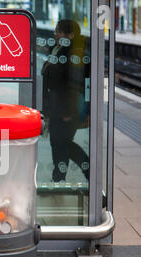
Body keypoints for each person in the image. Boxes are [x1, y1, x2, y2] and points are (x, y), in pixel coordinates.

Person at [41, 19, 90, 182]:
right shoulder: (56, 50)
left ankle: (90, 173)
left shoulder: (73, 54)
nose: (55, 34)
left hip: (67, 108)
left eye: (59, 31)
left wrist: (69, 111)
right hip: (56, 107)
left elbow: (75, 83)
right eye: (55, 31)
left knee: (65, 144)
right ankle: (58, 178)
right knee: (57, 143)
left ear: (70, 35)